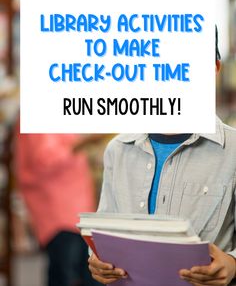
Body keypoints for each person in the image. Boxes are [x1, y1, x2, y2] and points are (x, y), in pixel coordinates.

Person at [88, 28, 236, 286]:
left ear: (212, 69)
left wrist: (233, 264)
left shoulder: (231, 152)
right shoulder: (118, 150)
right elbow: (104, 235)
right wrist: (98, 262)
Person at [15, 131, 103, 286]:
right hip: (58, 212)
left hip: (78, 211)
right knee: (66, 274)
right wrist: (83, 142)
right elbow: (45, 160)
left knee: (90, 274)